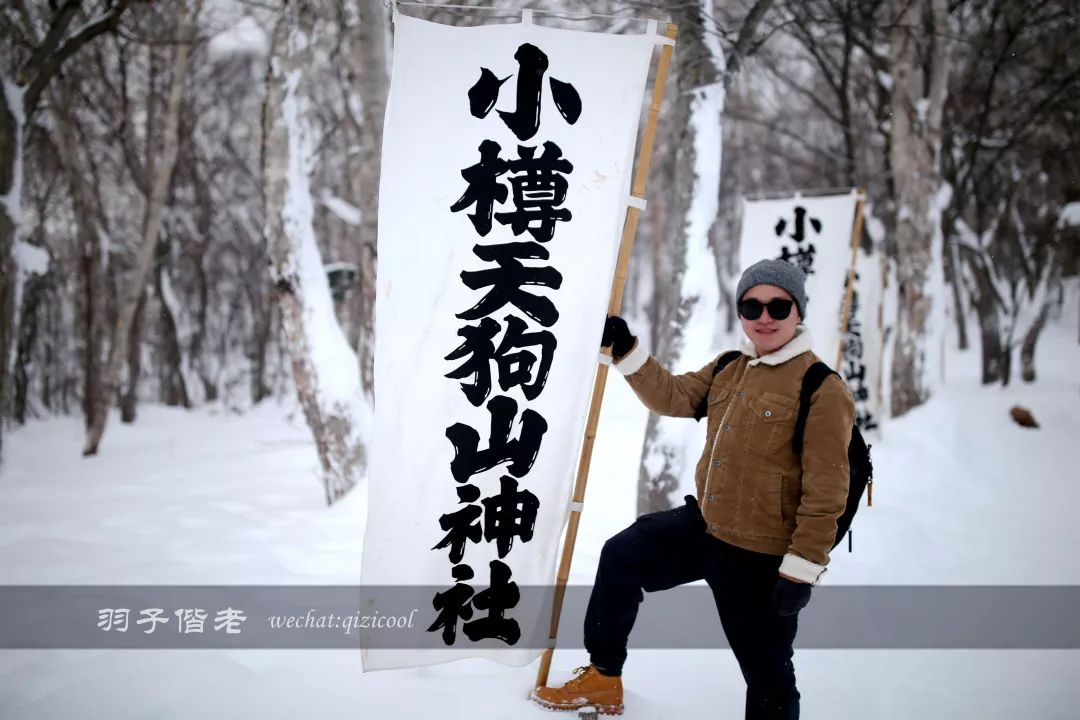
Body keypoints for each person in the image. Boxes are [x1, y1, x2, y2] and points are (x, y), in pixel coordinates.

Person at [531, 258, 855, 719]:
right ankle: (604, 678)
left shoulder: (822, 388)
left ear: (798, 312)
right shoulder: (730, 365)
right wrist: (626, 351)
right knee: (621, 556)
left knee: (768, 675)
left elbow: (827, 490)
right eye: (752, 305)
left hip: (760, 556)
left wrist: (801, 570)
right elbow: (675, 396)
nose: (764, 316)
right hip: (704, 529)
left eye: (778, 306)